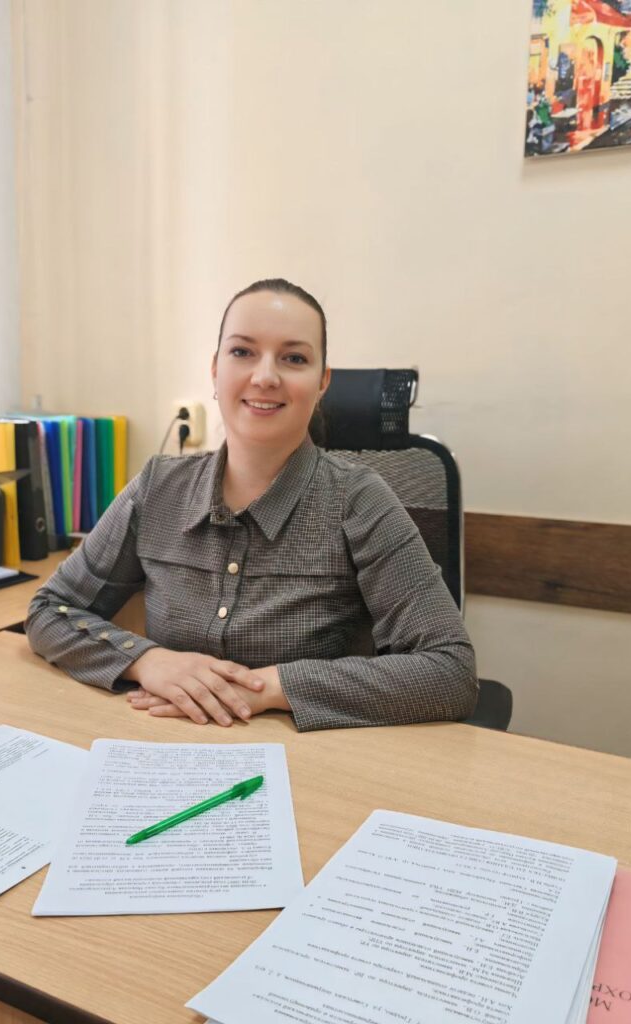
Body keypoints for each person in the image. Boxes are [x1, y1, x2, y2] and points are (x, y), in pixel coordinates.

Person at [25, 279, 477, 731]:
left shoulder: (359, 500)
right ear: (215, 369)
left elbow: (450, 670)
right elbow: (50, 609)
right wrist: (147, 660)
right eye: (242, 352)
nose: (264, 377)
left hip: (310, 760)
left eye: (294, 358)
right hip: (165, 745)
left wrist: (271, 687)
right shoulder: (159, 487)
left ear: (322, 382)